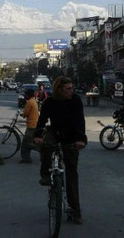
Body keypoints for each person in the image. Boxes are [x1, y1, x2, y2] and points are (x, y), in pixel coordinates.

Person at [34, 76, 86, 225]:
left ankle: (75, 210)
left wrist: (81, 139)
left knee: (71, 173)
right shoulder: (49, 102)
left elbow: (80, 120)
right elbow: (42, 120)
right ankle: (45, 174)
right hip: (55, 132)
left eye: (71, 88)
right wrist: (37, 135)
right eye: (68, 89)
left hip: (72, 135)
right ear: (59, 90)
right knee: (45, 145)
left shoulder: (75, 100)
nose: (71, 91)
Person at [19, 89, 40, 164]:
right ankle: (26, 157)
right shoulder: (33, 101)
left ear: (29, 95)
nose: (25, 96)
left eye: (26, 94)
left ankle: (40, 150)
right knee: (28, 141)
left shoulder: (29, 102)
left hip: (32, 125)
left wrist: (22, 114)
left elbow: (26, 113)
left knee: (26, 143)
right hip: (34, 123)